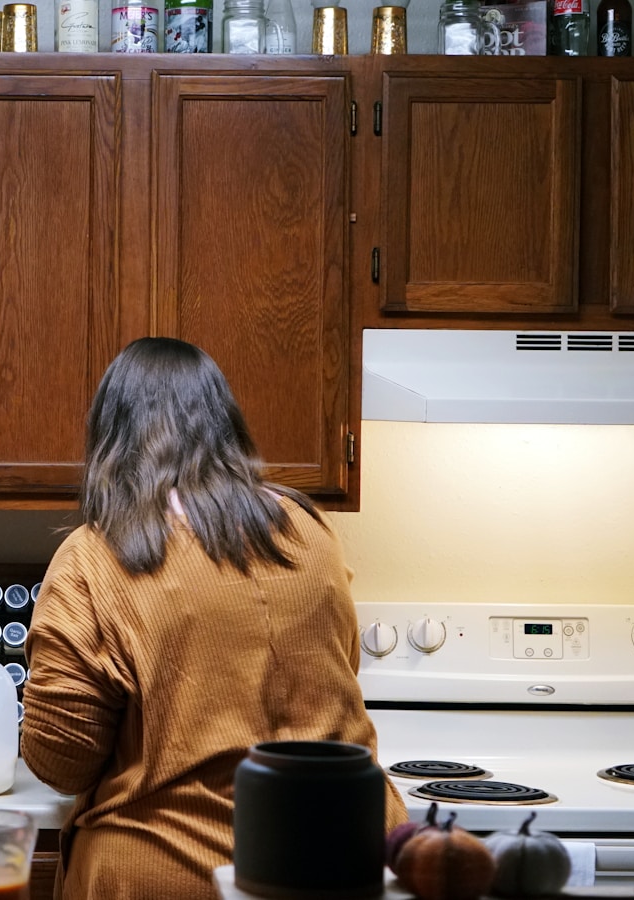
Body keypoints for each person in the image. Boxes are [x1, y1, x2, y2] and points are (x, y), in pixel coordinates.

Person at [20, 337, 407, 900]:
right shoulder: (310, 530)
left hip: (172, 870)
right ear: (225, 423)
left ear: (110, 437)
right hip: (342, 859)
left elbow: (62, 761)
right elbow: (336, 672)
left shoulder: (95, 555)